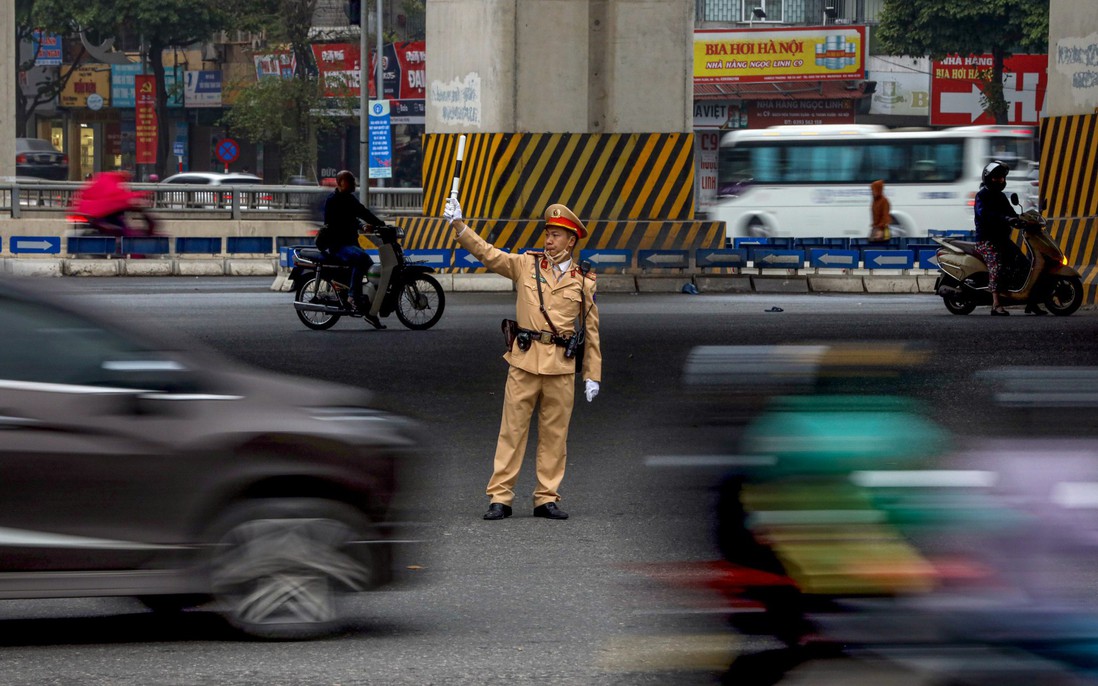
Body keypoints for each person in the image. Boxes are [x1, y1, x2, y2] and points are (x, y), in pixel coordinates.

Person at [444, 197, 602, 521]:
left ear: (572, 240)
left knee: (555, 436)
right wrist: (460, 226)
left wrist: (592, 374)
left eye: (556, 234)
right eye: (548, 233)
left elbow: (591, 330)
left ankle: (546, 498)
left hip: (560, 367)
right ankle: (500, 497)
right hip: (524, 361)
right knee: (512, 431)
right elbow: (488, 254)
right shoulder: (525, 265)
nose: (549, 239)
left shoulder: (583, 281)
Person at [974, 160, 1040, 315]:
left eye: (1002, 178)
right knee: (997, 266)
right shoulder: (981, 196)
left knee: (1024, 264)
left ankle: (1031, 301)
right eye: (996, 178)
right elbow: (985, 213)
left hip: (1002, 240)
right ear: (988, 178)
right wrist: (1005, 219)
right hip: (987, 241)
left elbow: (1011, 212)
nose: (1000, 180)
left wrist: (1022, 220)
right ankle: (996, 304)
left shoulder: (1001, 196)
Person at [321, 170, 385, 328]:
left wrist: (375, 225)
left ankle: (369, 311)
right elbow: (335, 223)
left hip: (350, 243)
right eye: (351, 181)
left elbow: (361, 213)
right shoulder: (333, 200)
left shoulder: (348, 199)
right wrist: (374, 224)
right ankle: (352, 296)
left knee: (368, 262)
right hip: (338, 245)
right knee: (361, 258)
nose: (354, 184)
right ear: (342, 182)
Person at [72, 170, 158, 238]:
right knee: (122, 230)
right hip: (102, 217)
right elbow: (120, 198)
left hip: (103, 216)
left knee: (123, 229)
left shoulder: (108, 183)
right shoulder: (112, 185)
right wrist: (139, 198)